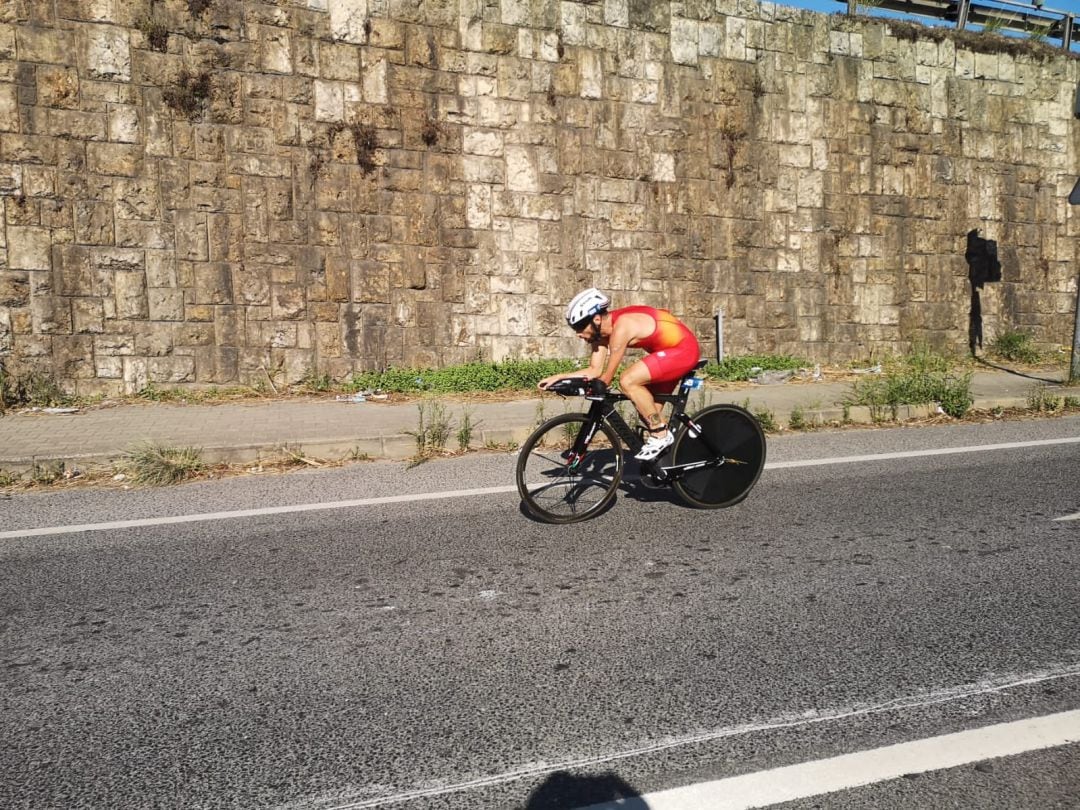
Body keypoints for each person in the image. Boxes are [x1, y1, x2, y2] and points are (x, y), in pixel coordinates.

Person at [538, 288, 701, 461]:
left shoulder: (622, 327)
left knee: (628, 381)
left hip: (683, 350)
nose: (578, 334)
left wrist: (584, 386)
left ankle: (661, 434)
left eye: (580, 327)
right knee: (647, 411)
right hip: (664, 354)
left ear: (597, 319)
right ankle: (670, 465)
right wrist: (560, 378)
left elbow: (605, 379)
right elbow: (594, 370)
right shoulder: (600, 333)